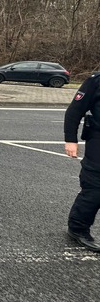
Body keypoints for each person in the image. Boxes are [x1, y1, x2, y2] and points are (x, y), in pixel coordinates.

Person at [64, 72, 100, 252]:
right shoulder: (96, 81)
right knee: (95, 187)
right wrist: (71, 140)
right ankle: (78, 228)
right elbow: (75, 110)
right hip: (98, 139)